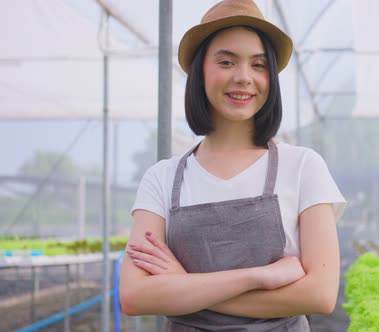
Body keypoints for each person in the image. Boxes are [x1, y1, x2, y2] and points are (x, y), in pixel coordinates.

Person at [119, 0, 346, 330]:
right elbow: (135, 296)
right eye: (226, 62)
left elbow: (320, 294)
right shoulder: (162, 178)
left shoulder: (303, 167)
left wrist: (184, 288)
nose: (244, 77)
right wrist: (260, 277)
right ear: (200, 73)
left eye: (258, 65)